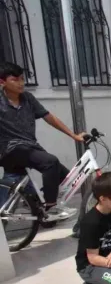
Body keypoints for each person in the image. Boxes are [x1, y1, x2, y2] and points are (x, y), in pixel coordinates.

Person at [0, 62, 86, 221]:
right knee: (50, 162)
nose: (21, 83)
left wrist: (73, 135)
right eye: (15, 80)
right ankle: (51, 207)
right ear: (2, 82)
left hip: (29, 147)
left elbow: (49, 117)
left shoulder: (27, 98)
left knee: (66, 177)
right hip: (10, 150)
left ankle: (40, 208)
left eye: (22, 79)